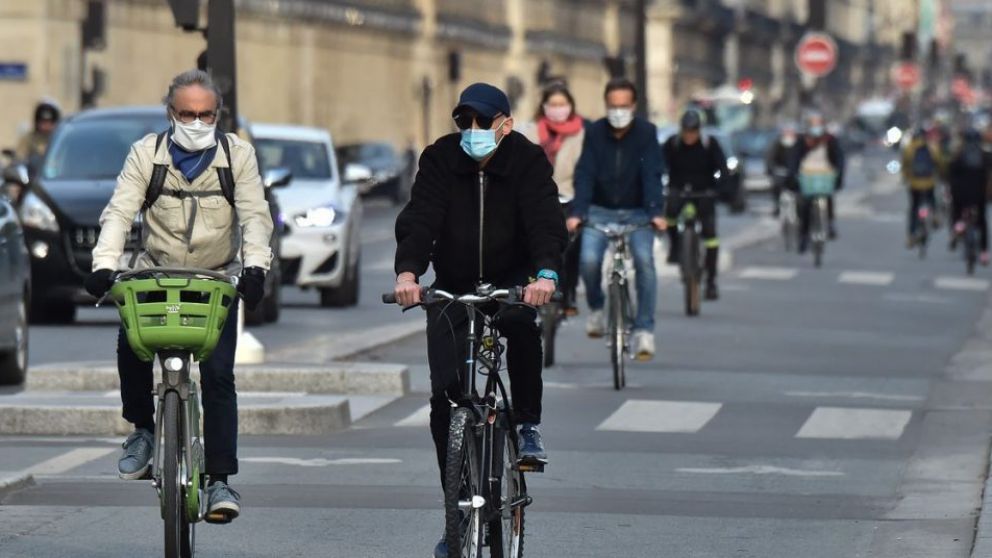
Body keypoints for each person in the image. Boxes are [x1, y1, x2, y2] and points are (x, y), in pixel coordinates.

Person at [83, 70, 274, 524]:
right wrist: (104, 263)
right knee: (130, 342)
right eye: (187, 113)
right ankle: (143, 431)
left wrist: (256, 267)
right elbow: (119, 210)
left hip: (215, 277)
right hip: (157, 270)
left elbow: (255, 215)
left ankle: (221, 481)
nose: (196, 121)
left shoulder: (237, 156)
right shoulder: (146, 153)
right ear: (171, 113)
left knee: (220, 375)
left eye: (205, 114)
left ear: (218, 115)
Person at [391, 82, 567, 558]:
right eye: (463, 122)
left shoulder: (527, 160)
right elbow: (421, 217)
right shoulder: (440, 158)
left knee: (519, 327)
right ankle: (458, 504)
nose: (471, 131)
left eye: (481, 123)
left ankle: (527, 424)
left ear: (504, 125)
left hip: (511, 280)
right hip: (454, 280)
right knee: (445, 395)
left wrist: (545, 274)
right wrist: (409, 271)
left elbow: (545, 220)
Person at [567, 78, 665, 359]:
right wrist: (578, 213)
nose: (618, 111)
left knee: (645, 263)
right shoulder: (595, 132)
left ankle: (644, 330)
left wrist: (656, 212)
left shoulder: (647, 132)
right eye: (613, 106)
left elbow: (652, 174)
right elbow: (584, 173)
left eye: (623, 105)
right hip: (599, 209)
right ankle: (597, 308)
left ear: (633, 106)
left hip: (638, 212)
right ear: (606, 105)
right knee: (588, 260)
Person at [521, 81, 586, 315]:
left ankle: (568, 294)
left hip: (568, 197)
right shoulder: (530, 132)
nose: (558, 109)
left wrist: (579, 208)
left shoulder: (581, 135)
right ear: (544, 106)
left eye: (562, 104)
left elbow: (585, 172)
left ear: (570, 106)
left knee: (573, 246)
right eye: (553, 104)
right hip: (536, 198)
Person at [663, 109, 727, 301]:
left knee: (710, 235)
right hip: (679, 191)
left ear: (699, 130)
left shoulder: (710, 145)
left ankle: (711, 282)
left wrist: (720, 188)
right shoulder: (672, 144)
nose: (690, 135)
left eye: (693, 131)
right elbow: (659, 164)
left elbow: (722, 168)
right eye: (686, 131)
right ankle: (675, 248)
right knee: (670, 215)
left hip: (703, 193)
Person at [793, 111, 845, 251]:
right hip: (807, 174)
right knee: (804, 205)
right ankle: (804, 236)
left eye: (818, 123)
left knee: (828, 197)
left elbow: (839, 158)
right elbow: (795, 158)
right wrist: (794, 175)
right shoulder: (803, 140)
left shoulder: (830, 140)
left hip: (825, 173)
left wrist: (838, 174)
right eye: (813, 123)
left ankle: (830, 224)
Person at [948, 128, 992, 264]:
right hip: (980, 194)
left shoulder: (959, 155)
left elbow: (950, 174)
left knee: (956, 209)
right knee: (982, 221)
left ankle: (958, 224)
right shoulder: (986, 156)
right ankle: (984, 252)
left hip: (961, 194)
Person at [901, 126, 941, 247]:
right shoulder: (932, 147)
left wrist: (906, 178)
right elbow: (939, 162)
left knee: (914, 208)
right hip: (929, 182)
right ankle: (935, 215)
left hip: (914, 183)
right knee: (932, 199)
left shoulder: (909, 148)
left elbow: (905, 165)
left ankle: (912, 235)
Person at [16, 100, 61, 176]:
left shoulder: (60, 139)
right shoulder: (29, 139)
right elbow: (19, 157)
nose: (45, 126)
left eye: (49, 122)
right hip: (32, 177)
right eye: (42, 122)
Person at [766, 123, 800, 217]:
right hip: (780, 173)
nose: (789, 134)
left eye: (791, 132)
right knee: (777, 187)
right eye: (787, 132)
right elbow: (770, 159)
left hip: (795, 173)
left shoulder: (799, 144)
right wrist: (772, 170)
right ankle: (777, 206)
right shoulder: (777, 144)